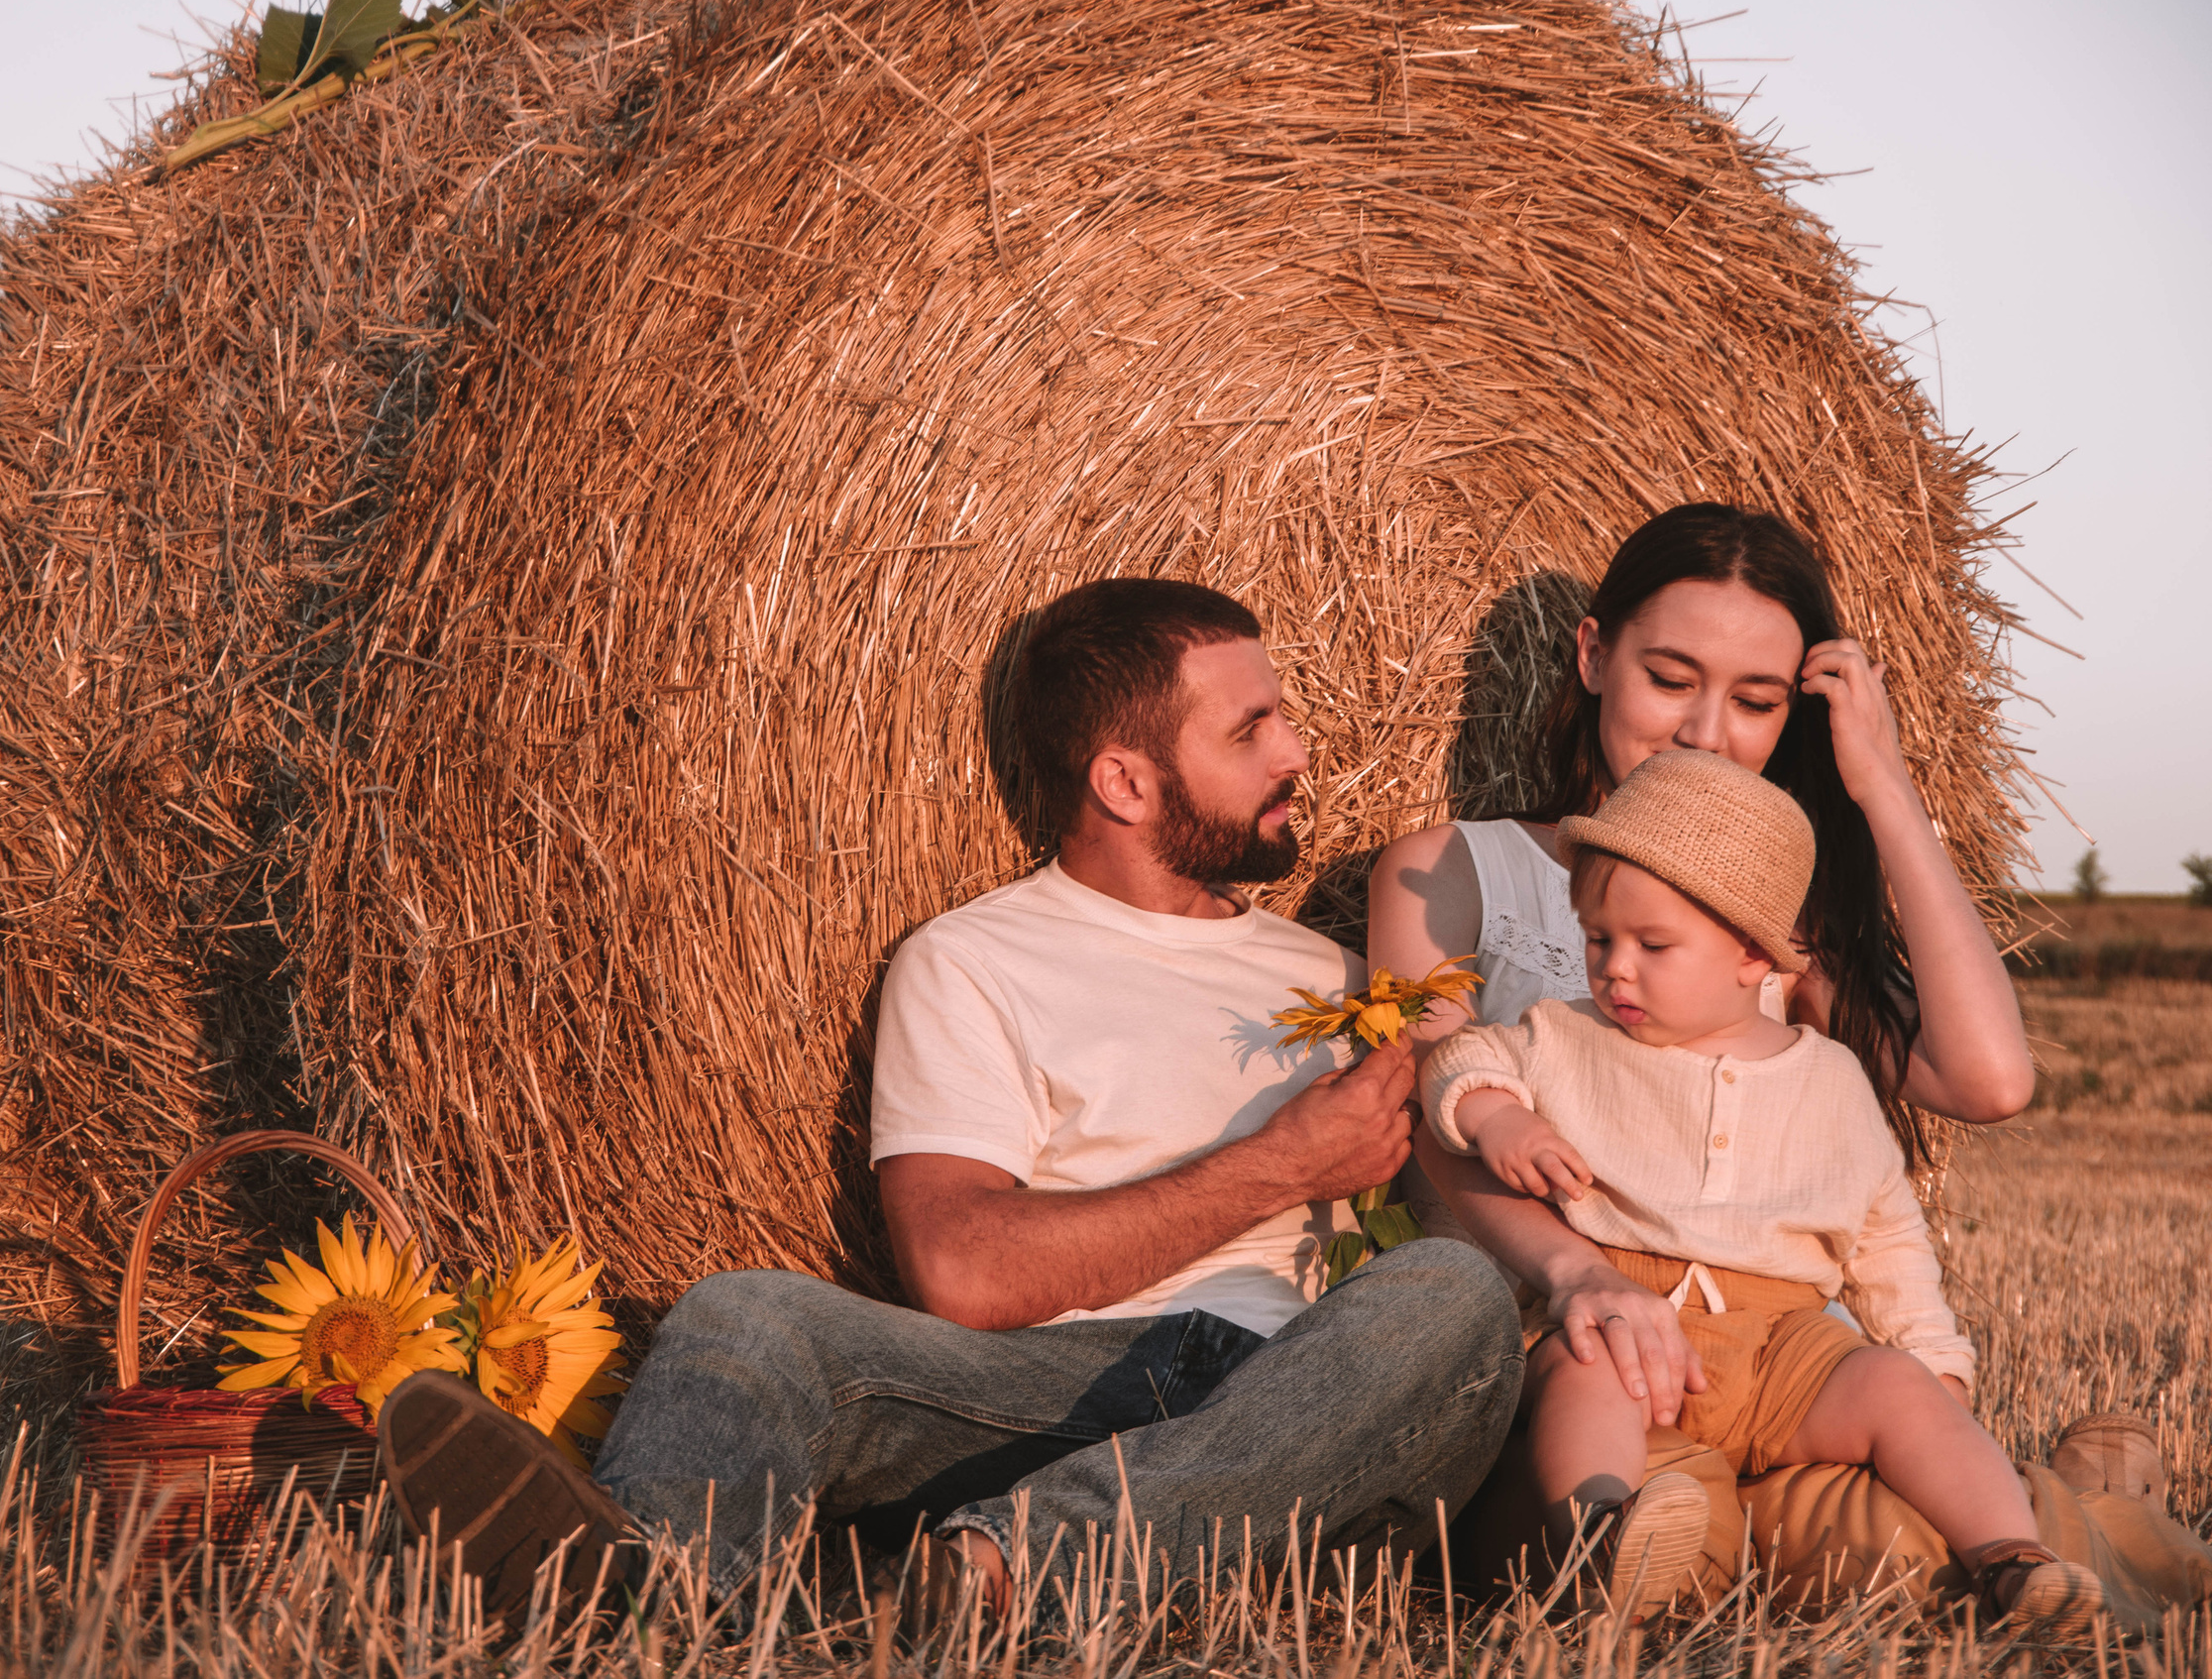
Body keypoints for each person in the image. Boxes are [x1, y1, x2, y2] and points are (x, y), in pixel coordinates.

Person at [375, 577, 1524, 1625]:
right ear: (1123, 780)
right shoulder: (974, 961)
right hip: (1067, 1388)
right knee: (745, 1316)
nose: (1299, 751)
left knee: (1450, 1293)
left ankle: (999, 1576)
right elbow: (964, 1273)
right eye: (1251, 729)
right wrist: (1279, 1166)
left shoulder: (1340, 980)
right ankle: (637, 1601)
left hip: (1321, 1403)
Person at [1372, 503, 2209, 1627]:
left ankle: (2060, 1536)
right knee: (1655, 1525)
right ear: (1590, 655)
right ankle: (2089, 1504)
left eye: (1756, 701)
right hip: (1577, 1361)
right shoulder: (1446, 873)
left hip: (1772, 1380)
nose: (1705, 732)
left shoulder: (1767, 921)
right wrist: (1583, 1278)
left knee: (1922, 1546)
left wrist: (1884, 782)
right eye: (1670, 676)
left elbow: (1988, 1080)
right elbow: (1435, 1127)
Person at [1425, 747, 2099, 1625]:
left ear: (1753, 956)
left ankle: (2013, 1559)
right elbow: (1460, 1056)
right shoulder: (1559, 1035)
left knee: (1896, 1387)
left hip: (1785, 1342)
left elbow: (1888, 1238)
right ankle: (1601, 1534)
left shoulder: (1830, 1079)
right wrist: (1492, 1115)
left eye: (1651, 944)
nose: (1614, 967)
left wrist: (1937, 1365)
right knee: (1581, 1376)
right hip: (1627, 1324)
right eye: (1598, 939)